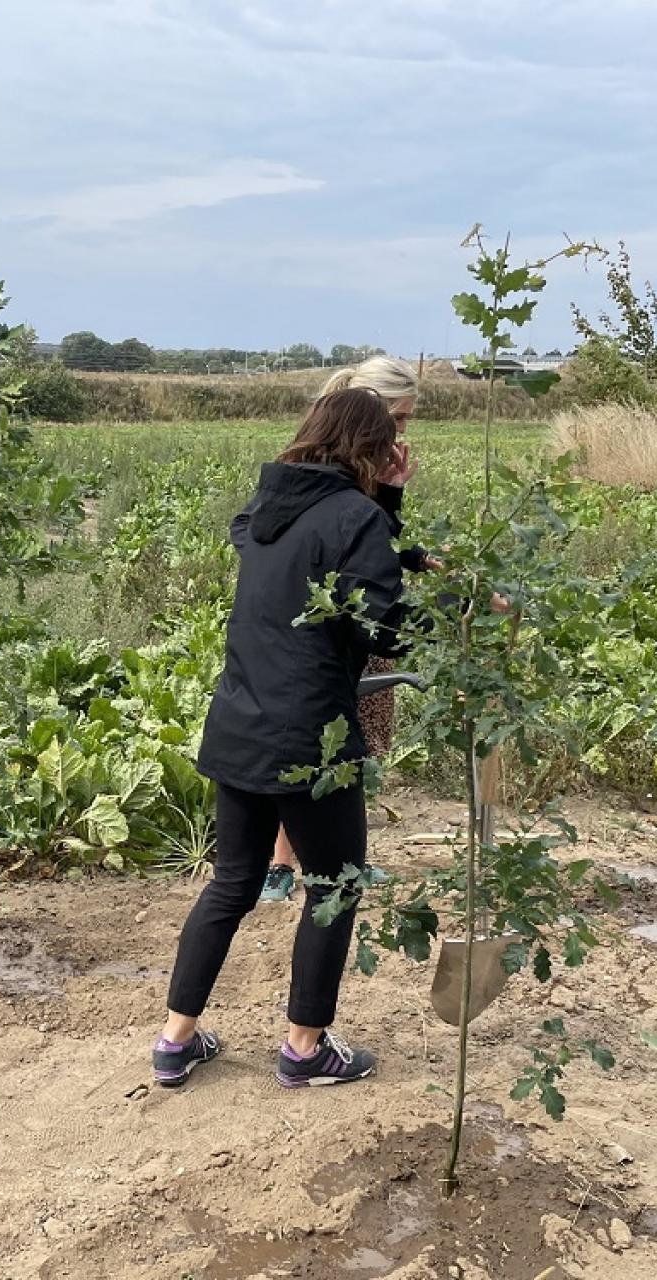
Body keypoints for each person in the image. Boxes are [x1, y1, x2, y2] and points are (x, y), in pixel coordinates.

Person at [153, 387, 418, 1089]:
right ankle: (305, 1050)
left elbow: (326, 561)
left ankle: (176, 1042)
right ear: (368, 447)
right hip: (313, 742)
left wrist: (382, 507)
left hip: (241, 726)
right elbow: (383, 627)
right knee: (335, 885)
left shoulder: (265, 512)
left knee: (233, 883)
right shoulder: (355, 515)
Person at [260, 355, 436, 903]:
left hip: (352, 616)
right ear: (372, 410)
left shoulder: (363, 461)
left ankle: (341, 860)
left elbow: (377, 539)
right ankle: (282, 866)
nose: (402, 431)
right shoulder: (330, 458)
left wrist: (416, 546)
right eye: (399, 418)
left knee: (348, 744)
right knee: (313, 745)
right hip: (333, 626)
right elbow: (357, 540)